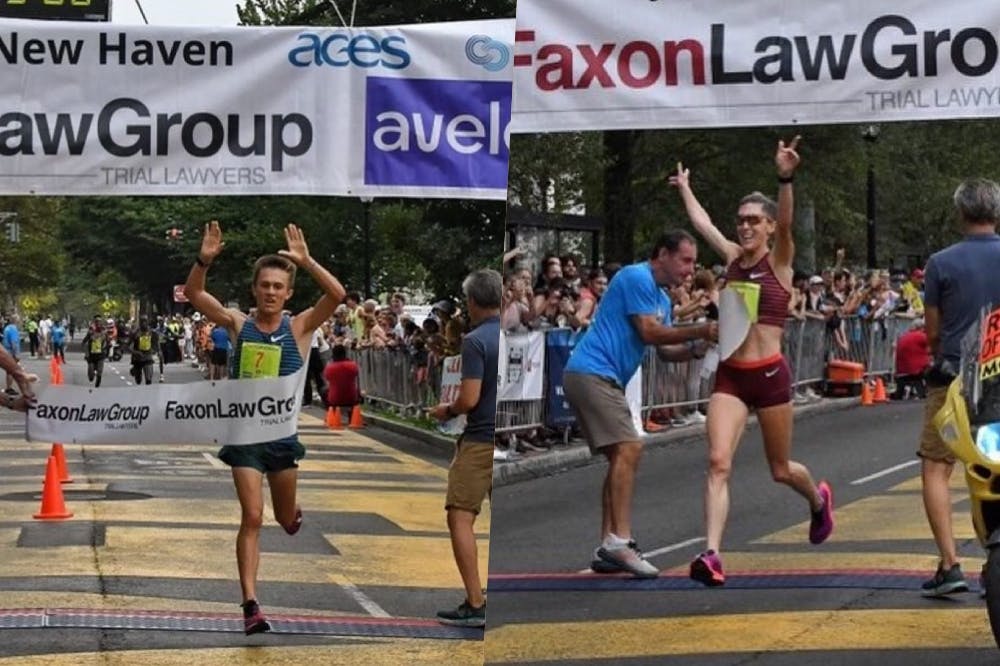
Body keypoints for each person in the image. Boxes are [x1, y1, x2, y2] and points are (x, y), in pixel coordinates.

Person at [669, 136, 834, 587]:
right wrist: (685, 187)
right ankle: (712, 554)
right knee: (718, 461)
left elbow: (788, 223)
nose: (744, 227)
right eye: (741, 220)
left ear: (768, 227)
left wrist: (785, 177)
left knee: (780, 469)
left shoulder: (779, 261)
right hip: (732, 377)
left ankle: (818, 501)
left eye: (753, 221)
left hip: (770, 375)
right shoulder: (730, 259)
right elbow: (701, 223)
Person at [184, 220, 345, 634]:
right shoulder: (239, 324)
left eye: (278, 286)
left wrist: (306, 262)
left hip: (282, 438)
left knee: (284, 518)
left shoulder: (299, 327)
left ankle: (291, 514)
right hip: (245, 439)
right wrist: (204, 260)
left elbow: (337, 295)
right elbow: (195, 294)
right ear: (254, 289)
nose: (271, 292)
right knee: (253, 516)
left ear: (288, 293)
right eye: (265, 285)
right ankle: (251, 605)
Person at [562, 231, 718, 578]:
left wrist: (699, 349)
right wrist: (701, 330)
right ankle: (620, 542)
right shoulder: (636, 277)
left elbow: (665, 351)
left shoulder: (661, 298)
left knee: (621, 456)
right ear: (662, 254)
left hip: (599, 377)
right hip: (592, 373)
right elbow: (649, 332)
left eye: (693, 262)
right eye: (686, 260)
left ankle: (608, 546)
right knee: (630, 447)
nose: (690, 270)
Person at [918, 177, 1000, 597]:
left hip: (953, 380)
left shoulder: (939, 263)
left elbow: (932, 332)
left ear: (961, 213)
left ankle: (950, 564)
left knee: (937, 466)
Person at [428, 268, 501, 627]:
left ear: (472, 301)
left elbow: (469, 398)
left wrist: (447, 409)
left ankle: (475, 601)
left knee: (460, 516)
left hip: (480, 438)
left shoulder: (475, 340)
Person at [323, 344, 359, 422]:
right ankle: (352, 416)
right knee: (357, 390)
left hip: (334, 399)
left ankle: (331, 412)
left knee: (323, 390)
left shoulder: (330, 367)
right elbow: (356, 373)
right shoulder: (352, 365)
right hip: (352, 397)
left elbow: (327, 378)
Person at [129, 317, 159, 385]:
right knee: (138, 380)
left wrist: (157, 351)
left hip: (147, 356)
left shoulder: (152, 333)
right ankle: (134, 370)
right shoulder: (135, 333)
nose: (143, 324)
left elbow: (156, 344)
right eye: (142, 322)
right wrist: (136, 352)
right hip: (137, 358)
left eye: (145, 321)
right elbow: (130, 347)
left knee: (148, 379)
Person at [81, 318, 109, 388]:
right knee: (91, 375)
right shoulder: (90, 332)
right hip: (91, 355)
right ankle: (91, 374)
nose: (98, 324)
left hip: (100, 355)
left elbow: (108, 342)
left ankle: (98, 381)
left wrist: (107, 348)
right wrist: (85, 351)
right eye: (96, 322)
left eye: (99, 322)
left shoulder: (104, 333)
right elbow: (84, 341)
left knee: (99, 372)